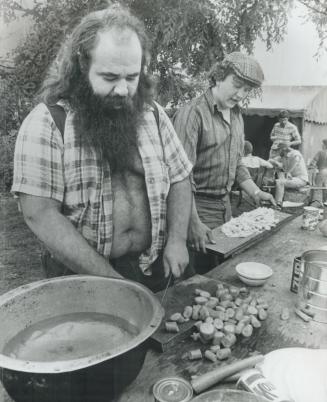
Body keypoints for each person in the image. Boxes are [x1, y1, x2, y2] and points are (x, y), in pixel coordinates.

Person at [11, 5, 193, 292]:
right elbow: (40, 214)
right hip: (82, 281)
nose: (122, 90)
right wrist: (112, 282)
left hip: (152, 269)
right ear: (82, 66)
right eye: (110, 78)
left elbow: (180, 177)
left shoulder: (154, 115)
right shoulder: (46, 123)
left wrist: (177, 240)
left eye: (131, 77)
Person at [173, 52, 276, 273]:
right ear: (218, 77)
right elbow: (180, 177)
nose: (240, 94)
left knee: (219, 273)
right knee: (196, 279)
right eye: (236, 85)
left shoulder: (237, 116)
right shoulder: (193, 114)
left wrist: (256, 193)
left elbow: (237, 163)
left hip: (225, 208)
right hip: (195, 209)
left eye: (247, 90)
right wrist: (191, 222)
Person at [270, 143, 309, 208]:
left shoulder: (295, 153)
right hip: (293, 179)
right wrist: (274, 162)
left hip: (301, 179)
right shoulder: (283, 157)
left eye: (278, 150)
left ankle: (277, 204)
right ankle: (277, 201)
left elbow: (296, 160)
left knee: (280, 182)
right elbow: (272, 161)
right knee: (279, 172)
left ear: (283, 149)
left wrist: (288, 172)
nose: (277, 152)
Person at [308, 139, 327, 205]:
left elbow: (313, 162)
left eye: (322, 144)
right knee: (325, 188)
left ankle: (313, 203)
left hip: (321, 171)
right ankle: (325, 203)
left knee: (316, 188)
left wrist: (310, 166)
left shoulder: (320, 152)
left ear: (324, 145)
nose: (321, 145)